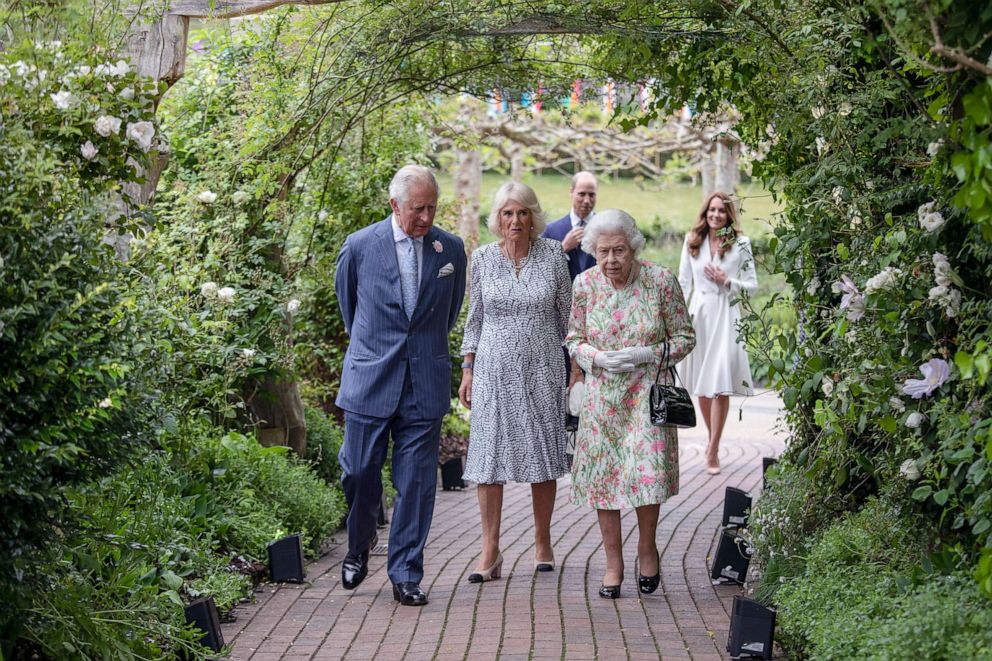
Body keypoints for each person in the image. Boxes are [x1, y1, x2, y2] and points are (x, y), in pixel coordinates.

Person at [334, 164, 467, 606]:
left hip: (423, 382)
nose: (426, 217)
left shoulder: (450, 249)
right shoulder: (358, 247)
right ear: (394, 205)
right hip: (371, 378)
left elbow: (447, 316)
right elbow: (350, 311)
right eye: (417, 209)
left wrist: (422, 352)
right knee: (358, 471)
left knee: (415, 484)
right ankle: (359, 543)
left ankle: (406, 572)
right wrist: (376, 351)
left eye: (432, 207)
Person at [565, 209, 695, 599]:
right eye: (602, 252)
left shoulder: (659, 281)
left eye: (619, 251)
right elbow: (573, 339)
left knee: (647, 476)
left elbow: (685, 337)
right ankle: (612, 563)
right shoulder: (585, 285)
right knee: (605, 481)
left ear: (634, 247)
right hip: (604, 400)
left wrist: (647, 354)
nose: (611, 261)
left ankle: (646, 549)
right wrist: (596, 358)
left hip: (646, 395)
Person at [458, 181, 571, 583]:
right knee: (487, 457)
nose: (516, 220)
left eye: (523, 212)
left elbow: (567, 316)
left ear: (533, 216)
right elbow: (476, 318)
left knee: (541, 453)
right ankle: (490, 549)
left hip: (542, 367)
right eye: (508, 213)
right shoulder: (484, 258)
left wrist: (573, 366)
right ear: (498, 218)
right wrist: (467, 368)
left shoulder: (554, 254)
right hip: (492, 368)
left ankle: (543, 542)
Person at [676, 192, 757, 475]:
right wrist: (678, 318)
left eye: (721, 211)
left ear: (729, 215)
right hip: (700, 314)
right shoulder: (692, 241)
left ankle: (712, 449)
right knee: (701, 383)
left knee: (720, 381)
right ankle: (712, 439)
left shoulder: (741, 244)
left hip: (726, 314)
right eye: (712, 210)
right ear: (705, 212)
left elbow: (752, 286)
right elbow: (684, 283)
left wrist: (727, 281)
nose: (716, 215)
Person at [542, 171, 599, 281]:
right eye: (582, 194)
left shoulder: (607, 228)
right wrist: (563, 247)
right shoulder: (550, 231)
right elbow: (541, 270)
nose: (587, 200)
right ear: (571, 192)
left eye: (591, 195)